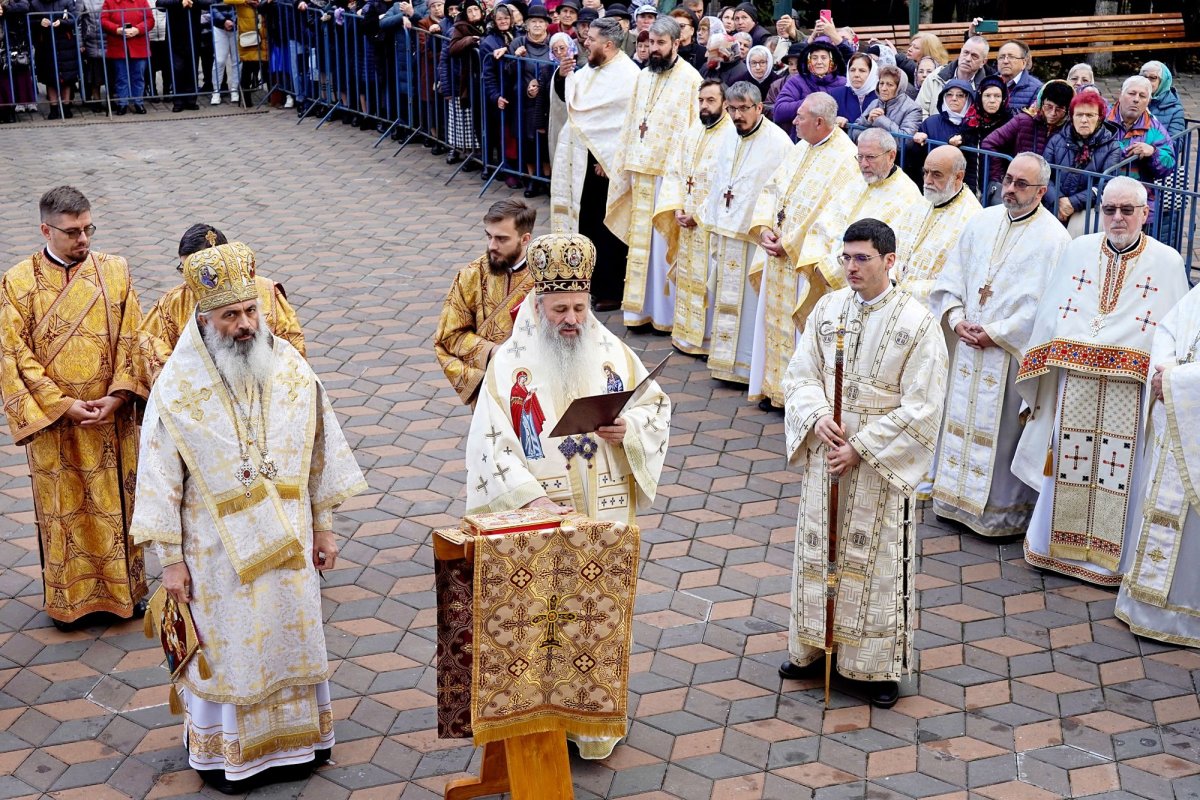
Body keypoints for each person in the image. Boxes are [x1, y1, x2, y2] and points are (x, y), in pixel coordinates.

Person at [130, 241, 367, 794]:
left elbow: (319, 449)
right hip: (216, 555)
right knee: (232, 650)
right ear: (205, 318)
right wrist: (169, 563)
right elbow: (158, 477)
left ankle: (298, 747)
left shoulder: (287, 365)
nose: (245, 324)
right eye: (230, 315)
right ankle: (230, 759)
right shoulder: (177, 387)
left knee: (289, 641)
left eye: (251, 311)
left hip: (289, 538)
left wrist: (326, 525)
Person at [779, 217, 948, 709]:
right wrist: (815, 418)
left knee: (874, 561)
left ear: (889, 261)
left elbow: (924, 406)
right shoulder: (828, 309)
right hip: (825, 451)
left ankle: (874, 668)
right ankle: (811, 646)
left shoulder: (918, 325)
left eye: (862, 259)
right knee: (817, 548)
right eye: (846, 258)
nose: (851, 267)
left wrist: (862, 446)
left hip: (876, 462)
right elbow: (801, 373)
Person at [1014, 176, 1188, 587]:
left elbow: (1173, 334)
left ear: (1146, 213)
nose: (1118, 218)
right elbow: (1051, 313)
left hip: (1129, 390)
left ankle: (1110, 561)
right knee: (1069, 456)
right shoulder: (1077, 250)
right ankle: (1051, 547)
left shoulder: (1167, 262)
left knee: (1120, 467)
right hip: (1075, 382)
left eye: (1128, 210)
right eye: (1110, 209)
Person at [0, 186, 148, 629]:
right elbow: (11, 354)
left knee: (121, 503)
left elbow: (134, 337)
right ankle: (70, 603)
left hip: (111, 419)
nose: (83, 239)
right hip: (56, 425)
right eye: (71, 232)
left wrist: (120, 396)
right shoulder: (17, 282)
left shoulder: (116, 271)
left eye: (88, 229)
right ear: (46, 229)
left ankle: (128, 593)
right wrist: (61, 404)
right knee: (63, 510)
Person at [929, 153, 1070, 538]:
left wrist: (997, 332)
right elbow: (951, 276)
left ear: (1041, 191)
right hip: (967, 344)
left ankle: (999, 516)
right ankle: (952, 500)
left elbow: (1048, 309)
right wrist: (956, 318)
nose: (1009, 189)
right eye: (1008, 180)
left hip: (1008, 355)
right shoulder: (982, 221)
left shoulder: (1056, 240)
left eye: (1021, 184)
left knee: (1004, 432)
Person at [748, 91, 864, 410]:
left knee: (802, 328)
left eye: (800, 117)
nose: (794, 120)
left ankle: (798, 397)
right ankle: (775, 388)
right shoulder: (801, 147)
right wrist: (766, 229)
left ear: (819, 121)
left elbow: (830, 213)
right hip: (778, 250)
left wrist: (788, 242)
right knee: (775, 322)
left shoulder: (845, 159)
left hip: (804, 259)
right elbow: (773, 187)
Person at [1115, 283, 1200, 645]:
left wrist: (1176, 381)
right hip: (1178, 407)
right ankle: (1145, 605)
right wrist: (1164, 369)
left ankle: (1184, 615)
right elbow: (1168, 327)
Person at [605, 15, 701, 331]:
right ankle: (637, 311)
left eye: (661, 43)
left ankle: (664, 315)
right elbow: (632, 123)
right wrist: (622, 164)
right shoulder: (643, 77)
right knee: (640, 245)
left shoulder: (691, 80)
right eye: (651, 43)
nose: (654, 49)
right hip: (641, 173)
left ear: (677, 43)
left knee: (662, 249)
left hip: (669, 177)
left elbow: (695, 132)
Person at [698, 80, 791, 382]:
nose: (737, 115)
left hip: (753, 237)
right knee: (725, 301)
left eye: (743, 109)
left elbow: (782, 191)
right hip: (727, 230)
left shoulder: (778, 143)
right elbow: (719, 179)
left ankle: (748, 367)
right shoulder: (729, 136)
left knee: (749, 306)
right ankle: (725, 363)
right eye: (732, 109)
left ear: (759, 108)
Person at [139, 224, 305, 386]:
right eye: (185, 270)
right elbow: (150, 343)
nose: (190, 280)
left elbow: (292, 347)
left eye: (200, 272)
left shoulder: (267, 291)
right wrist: (180, 380)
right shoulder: (173, 302)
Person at [549, 16, 639, 310]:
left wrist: (609, 159)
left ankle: (612, 289)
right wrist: (563, 77)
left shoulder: (628, 75)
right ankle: (588, 282)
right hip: (582, 160)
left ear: (609, 45)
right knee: (585, 222)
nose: (585, 43)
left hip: (606, 165)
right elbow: (574, 103)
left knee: (607, 227)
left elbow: (627, 125)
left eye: (591, 40)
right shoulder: (591, 69)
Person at [435, 200, 537, 404]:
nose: (492, 246)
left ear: (525, 239)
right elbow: (449, 336)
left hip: (537, 385)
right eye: (489, 236)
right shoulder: (471, 275)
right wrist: (491, 351)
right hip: (489, 385)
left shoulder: (544, 276)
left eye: (501, 239)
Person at [658, 78, 730, 355]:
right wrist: (677, 206)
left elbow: (723, 185)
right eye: (701, 100)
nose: (704, 106)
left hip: (708, 225)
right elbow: (675, 171)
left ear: (724, 102)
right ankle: (686, 335)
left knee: (709, 280)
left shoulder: (730, 137)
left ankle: (707, 340)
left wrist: (697, 215)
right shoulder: (692, 132)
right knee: (688, 277)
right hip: (685, 220)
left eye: (711, 100)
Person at [893, 144, 982, 309]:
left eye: (936, 175)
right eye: (925, 172)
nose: (927, 181)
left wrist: (903, 290)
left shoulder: (972, 220)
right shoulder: (921, 202)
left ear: (958, 177)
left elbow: (959, 281)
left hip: (928, 310)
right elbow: (896, 245)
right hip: (894, 294)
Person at [1042, 92, 1122, 236]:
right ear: (1072, 117)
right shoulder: (1056, 140)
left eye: (1090, 115)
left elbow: (1105, 185)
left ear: (1099, 118)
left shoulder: (1112, 147)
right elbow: (1043, 174)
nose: (1084, 120)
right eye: (1079, 115)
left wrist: (1072, 203)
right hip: (1053, 207)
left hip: (1087, 212)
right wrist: (1058, 200)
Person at [981, 78, 1072, 192]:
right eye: (1048, 106)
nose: (1053, 113)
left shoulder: (1069, 130)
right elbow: (989, 143)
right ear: (1040, 102)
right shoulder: (1024, 120)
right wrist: (1001, 177)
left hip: (1049, 191)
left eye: (1059, 109)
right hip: (1018, 185)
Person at [1105, 75, 1174, 215]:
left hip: (1138, 201)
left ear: (1148, 101)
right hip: (1102, 195)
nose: (1136, 99)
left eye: (1142, 96)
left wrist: (1153, 152)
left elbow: (1169, 164)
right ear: (1120, 95)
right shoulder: (1102, 118)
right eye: (1131, 93)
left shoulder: (1155, 129)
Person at [510, 4, 553, 196]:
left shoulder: (553, 43)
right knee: (527, 140)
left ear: (546, 25)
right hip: (525, 100)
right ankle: (532, 179)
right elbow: (508, 72)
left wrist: (542, 87)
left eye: (541, 21)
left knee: (546, 141)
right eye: (533, 21)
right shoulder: (518, 43)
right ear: (526, 24)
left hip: (548, 100)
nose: (537, 25)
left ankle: (547, 178)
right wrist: (514, 58)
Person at [771, 36, 844, 138]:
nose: (819, 62)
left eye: (824, 57)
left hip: (837, 139)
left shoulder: (844, 83)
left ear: (831, 61)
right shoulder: (797, 81)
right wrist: (811, 103)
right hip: (803, 140)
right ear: (808, 60)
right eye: (814, 58)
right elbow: (779, 112)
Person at [915, 35, 991, 121]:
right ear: (961, 52)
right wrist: (930, 129)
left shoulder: (986, 88)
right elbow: (919, 110)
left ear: (983, 62)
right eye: (965, 52)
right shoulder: (935, 77)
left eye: (974, 56)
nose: (968, 58)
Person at [960, 75, 1012, 195]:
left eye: (997, 96)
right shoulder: (971, 120)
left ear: (1004, 98)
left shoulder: (1010, 122)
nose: (992, 100)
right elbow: (963, 138)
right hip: (972, 183)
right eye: (987, 95)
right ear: (980, 97)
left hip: (998, 185)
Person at [102, 0, 155, 114]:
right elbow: (104, 20)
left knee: (138, 76)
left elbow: (150, 20)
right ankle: (122, 103)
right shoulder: (109, 2)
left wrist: (137, 29)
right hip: (118, 45)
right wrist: (117, 29)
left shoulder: (142, 1)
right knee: (121, 77)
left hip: (138, 44)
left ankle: (138, 102)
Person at [30, 0, 79, 118]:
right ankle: (53, 108)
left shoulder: (67, 1)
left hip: (65, 42)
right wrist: (39, 22)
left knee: (67, 77)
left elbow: (75, 18)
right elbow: (29, 20)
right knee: (49, 78)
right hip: (45, 43)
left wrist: (62, 22)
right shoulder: (35, 3)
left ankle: (66, 107)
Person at [156, 0, 207, 111]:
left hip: (193, 35)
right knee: (177, 69)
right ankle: (178, 101)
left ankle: (191, 100)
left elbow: (209, 2)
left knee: (192, 68)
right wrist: (180, 3)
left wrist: (194, 2)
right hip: (175, 36)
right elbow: (160, 3)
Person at [853, 64, 920, 139]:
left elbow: (905, 142)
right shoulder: (875, 103)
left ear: (899, 88)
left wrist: (881, 120)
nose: (883, 88)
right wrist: (868, 121)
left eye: (890, 85)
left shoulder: (912, 109)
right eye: (881, 83)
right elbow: (854, 134)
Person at [1141, 60, 1184, 141]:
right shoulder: (1133, 100)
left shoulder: (1175, 109)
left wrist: (1152, 149)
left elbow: (1176, 144)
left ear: (1162, 82)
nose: (1146, 81)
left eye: (1153, 78)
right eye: (1144, 77)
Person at [994, 39, 1040, 111]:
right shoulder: (987, 83)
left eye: (1011, 57)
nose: (1005, 61)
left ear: (1024, 63)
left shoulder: (1036, 89)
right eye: (1001, 57)